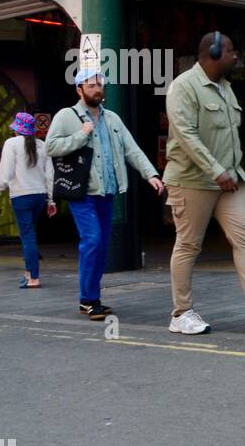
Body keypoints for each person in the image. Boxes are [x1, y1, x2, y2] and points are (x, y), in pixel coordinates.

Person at [162, 32, 245, 334]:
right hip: (191, 180)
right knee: (188, 245)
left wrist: (230, 172)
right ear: (212, 53)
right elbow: (185, 135)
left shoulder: (226, 89)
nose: (236, 56)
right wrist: (215, 170)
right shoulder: (183, 87)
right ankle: (181, 313)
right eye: (231, 51)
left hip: (230, 181)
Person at [44, 70, 165, 321]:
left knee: (101, 247)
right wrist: (81, 134)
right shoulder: (68, 116)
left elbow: (132, 149)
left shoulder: (112, 119)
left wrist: (150, 174)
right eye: (92, 85)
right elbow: (51, 147)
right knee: (92, 241)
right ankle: (88, 299)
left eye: (100, 84)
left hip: (108, 192)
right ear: (79, 89)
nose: (98, 88)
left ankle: (90, 299)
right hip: (83, 193)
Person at [0, 112, 56, 288]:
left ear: (16, 130)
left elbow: (6, 172)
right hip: (39, 196)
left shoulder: (11, 144)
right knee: (29, 233)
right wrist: (51, 201)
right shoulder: (42, 145)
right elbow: (50, 175)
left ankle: (33, 277)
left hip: (21, 196)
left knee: (27, 236)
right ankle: (28, 273)